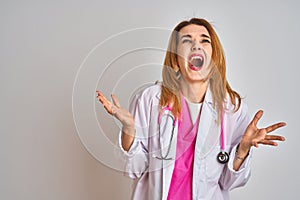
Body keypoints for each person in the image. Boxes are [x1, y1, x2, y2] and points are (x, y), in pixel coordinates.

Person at [96, 18, 286, 200]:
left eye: (204, 41)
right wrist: (129, 130)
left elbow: (229, 182)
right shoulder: (150, 99)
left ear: (213, 58)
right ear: (176, 60)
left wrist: (242, 150)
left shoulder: (232, 108)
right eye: (187, 41)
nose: (197, 46)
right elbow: (133, 168)